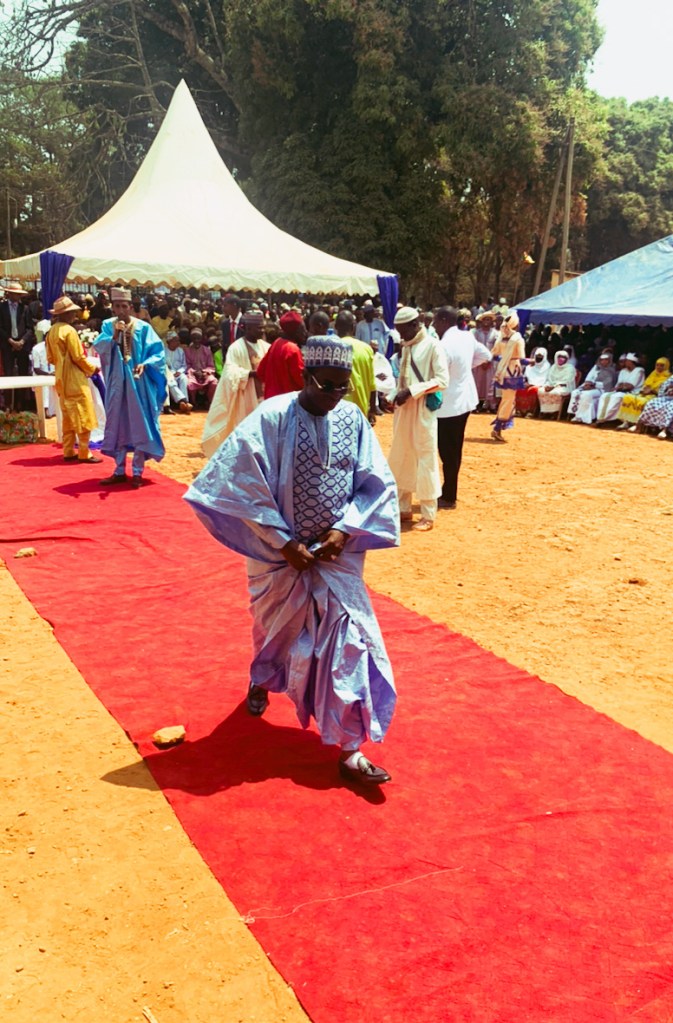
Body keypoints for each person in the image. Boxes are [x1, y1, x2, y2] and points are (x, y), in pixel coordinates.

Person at [184, 335, 399, 786]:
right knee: (275, 633)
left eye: (344, 387)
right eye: (327, 385)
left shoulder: (353, 417)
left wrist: (344, 530)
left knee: (350, 642)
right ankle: (263, 678)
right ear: (305, 376)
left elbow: (374, 482)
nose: (336, 395)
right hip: (277, 558)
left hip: (336, 559)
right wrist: (283, 542)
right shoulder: (272, 417)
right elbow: (239, 483)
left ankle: (350, 749)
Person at [93, 286, 166, 488]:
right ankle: (118, 470)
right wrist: (114, 336)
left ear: (131, 307)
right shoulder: (108, 326)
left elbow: (158, 353)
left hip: (138, 383)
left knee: (139, 423)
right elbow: (100, 347)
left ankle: (137, 472)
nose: (122, 310)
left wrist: (146, 363)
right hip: (117, 384)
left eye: (125, 306)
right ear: (113, 308)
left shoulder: (143, 327)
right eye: (117, 306)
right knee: (118, 423)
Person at [387, 305, 449, 531]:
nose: (401, 335)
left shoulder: (433, 346)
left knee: (425, 458)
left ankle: (428, 514)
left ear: (415, 324)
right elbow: (401, 381)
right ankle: (403, 508)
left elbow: (442, 380)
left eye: (403, 330)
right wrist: (393, 395)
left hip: (422, 410)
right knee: (401, 454)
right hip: (403, 410)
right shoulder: (405, 347)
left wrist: (413, 391)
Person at [433, 306, 491, 510]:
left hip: (449, 405)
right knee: (455, 449)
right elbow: (485, 355)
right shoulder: (467, 336)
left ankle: (449, 495)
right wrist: (465, 369)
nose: (433, 325)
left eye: (434, 321)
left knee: (447, 451)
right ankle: (449, 491)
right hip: (466, 400)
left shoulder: (444, 344)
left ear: (442, 320)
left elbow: (438, 376)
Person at [201, 311, 270, 457]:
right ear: (247, 328)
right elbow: (229, 373)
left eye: (263, 327)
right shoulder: (236, 348)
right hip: (245, 397)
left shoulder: (266, 347)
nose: (262, 331)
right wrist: (251, 374)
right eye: (259, 328)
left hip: (264, 397)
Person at [45, 296, 101, 464]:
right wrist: (92, 369)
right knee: (83, 414)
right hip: (75, 378)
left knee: (68, 416)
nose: (75, 315)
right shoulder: (69, 331)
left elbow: (50, 358)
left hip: (61, 378)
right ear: (66, 314)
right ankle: (84, 452)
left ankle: (68, 450)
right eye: (72, 312)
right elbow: (78, 356)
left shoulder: (52, 332)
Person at [334, 310, 377, 422]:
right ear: (354, 326)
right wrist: (372, 409)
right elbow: (372, 384)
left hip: (337, 412)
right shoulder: (367, 349)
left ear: (335, 326)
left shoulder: (332, 348)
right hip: (361, 412)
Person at [490, 313, 526, 441]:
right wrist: (532, 361)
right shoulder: (518, 339)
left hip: (503, 371)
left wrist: (504, 358)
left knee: (506, 398)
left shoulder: (501, 338)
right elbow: (522, 358)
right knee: (509, 400)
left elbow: (494, 355)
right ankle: (498, 428)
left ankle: (498, 427)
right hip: (513, 372)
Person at [0, 281, 35, 410]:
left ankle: (21, 404)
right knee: (8, 374)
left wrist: (22, 341)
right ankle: (8, 405)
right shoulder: (1, 307)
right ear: (9, 294)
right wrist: (10, 340)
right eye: (16, 294)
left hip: (22, 346)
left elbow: (30, 328)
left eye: (20, 294)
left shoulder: (25, 309)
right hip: (7, 345)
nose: (18, 297)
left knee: (22, 374)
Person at [256, 309, 306, 398]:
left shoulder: (276, 343)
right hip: (287, 404)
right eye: (302, 329)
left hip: (270, 400)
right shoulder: (293, 349)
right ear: (294, 331)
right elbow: (302, 381)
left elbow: (260, 372)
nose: (305, 332)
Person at [617, 357, 671, 430]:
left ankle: (637, 424)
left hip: (655, 396)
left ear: (666, 366)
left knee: (642, 402)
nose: (659, 367)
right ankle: (626, 422)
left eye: (662, 365)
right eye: (657, 365)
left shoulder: (668, 377)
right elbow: (645, 385)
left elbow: (664, 391)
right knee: (628, 397)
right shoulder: (653, 373)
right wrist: (644, 390)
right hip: (644, 393)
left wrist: (652, 391)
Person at [568, 351, 617, 424]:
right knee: (576, 392)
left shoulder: (611, 370)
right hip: (590, 387)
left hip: (602, 390)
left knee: (586, 395)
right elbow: (589, 377)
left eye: (606, 360)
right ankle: (576, 415)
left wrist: (593, 385)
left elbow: (607, 384)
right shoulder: (596, 367)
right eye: (601, 360)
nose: (603, 361)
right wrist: (587, 383)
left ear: (609, 361)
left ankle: (584, 418)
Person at [595, 353, 645, 425]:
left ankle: (605, 419)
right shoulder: (623, 371)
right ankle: (600, 418)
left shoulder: (639, 370)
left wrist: (623, 385)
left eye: (627, 361)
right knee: (604, 395)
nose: (625, 362)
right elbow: (619, 384)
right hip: (620, 390)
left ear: (632, 362)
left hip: (633, 392)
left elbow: (630, 386)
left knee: (616, 397)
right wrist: (622, 386)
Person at [472, 311, 498, 412]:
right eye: (485, 319)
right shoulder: (475, 333)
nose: (487, 321)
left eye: (489, 319)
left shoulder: (496, 334)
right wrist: (482, 361)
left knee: (489, 383)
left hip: (490, 363)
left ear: (492, 321)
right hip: (478, 362)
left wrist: (489, 360)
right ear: (481, 321)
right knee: (477, 383)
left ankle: (490, 406)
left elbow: (496, 348)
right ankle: (476, 405)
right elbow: (474, 347)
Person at [185, 327, 218, 407]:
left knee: (214, 382)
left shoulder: (207, 350)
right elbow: (187, 365)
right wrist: (194, 372)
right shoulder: (187, 351)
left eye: (198, 338)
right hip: (192, 374)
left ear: (201, 339)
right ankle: (193, 402)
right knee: (189, 384)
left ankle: (210, 402)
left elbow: (211, 365)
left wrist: (204, 372)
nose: (196, 340)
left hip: (206, 373)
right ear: (191, 339)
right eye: (194, 338)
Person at [537, 350, 576, 416]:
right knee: (541, 390)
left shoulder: (570, 368)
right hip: (551, 385)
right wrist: (547, 386)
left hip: (564, 387)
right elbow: (549, 379)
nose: (561, 359)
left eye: (563, 357)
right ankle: (545, 412)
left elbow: (567, 380)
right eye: (559, 357)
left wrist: (555, 386)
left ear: (567, 359)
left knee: (555, 392)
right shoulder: (553, 367)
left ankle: (554, 413)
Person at [516, 347, 550, 417]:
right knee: (519, 388)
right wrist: (525, 383)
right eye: (537, 356)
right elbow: (525, 377)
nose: (538, 358)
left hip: (541, 385)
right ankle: (520, 411)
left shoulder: (547, 366)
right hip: (529, 384)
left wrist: (533, 384)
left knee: (533, 390)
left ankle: (530, 412)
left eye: (540, 357)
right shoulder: (530, 366)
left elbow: (547, 379)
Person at [164, 330, 192, 413]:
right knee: (170, 382)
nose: (178, 342)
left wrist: (180, 371)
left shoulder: (180, 351)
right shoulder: (163, 351)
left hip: (179, 373)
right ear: (169, 341)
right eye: (175, 340)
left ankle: (184, 403)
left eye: (178, 340)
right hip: (168, 373)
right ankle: (184, 402)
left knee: (184, 378)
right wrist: (171, 373)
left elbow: (184, 365)